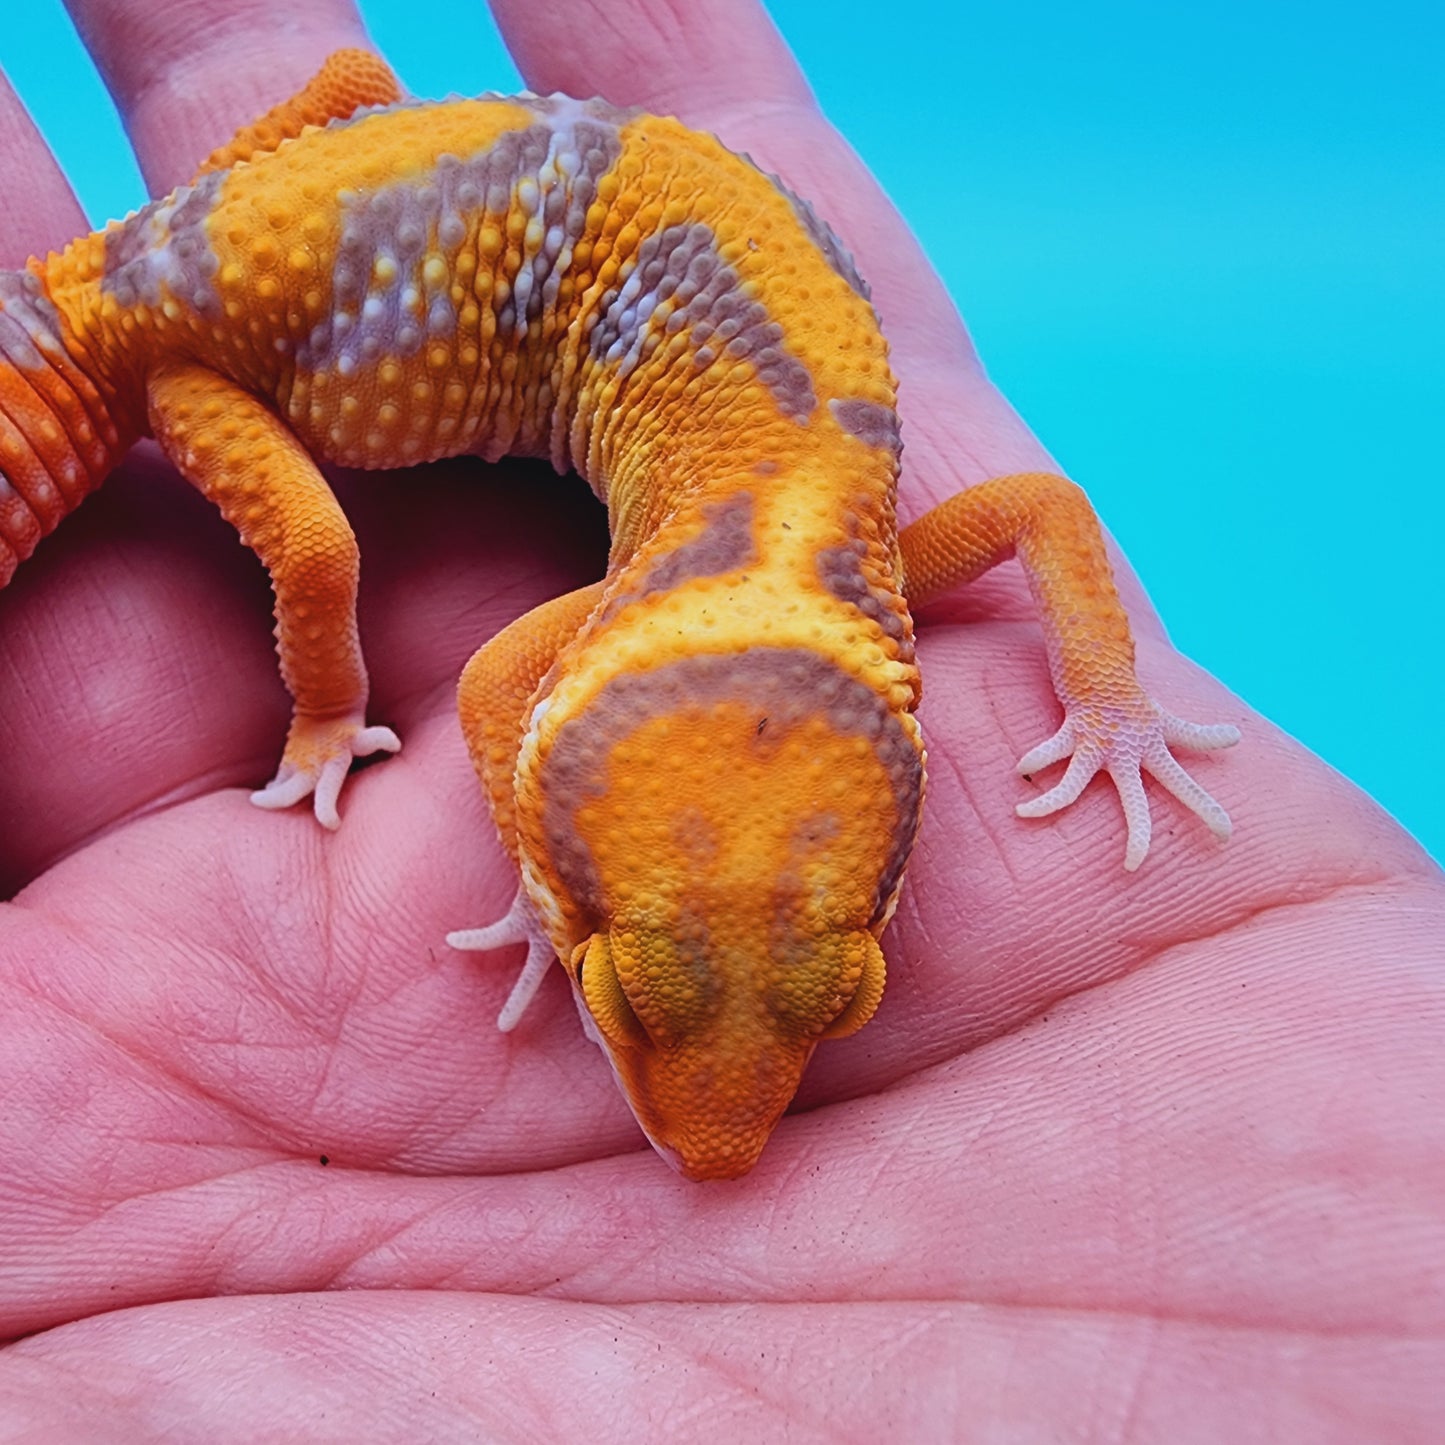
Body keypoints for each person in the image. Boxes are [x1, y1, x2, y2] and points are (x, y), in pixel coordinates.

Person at [0, 0, 1439, 1435]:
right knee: (320, 552)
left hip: (313, 231)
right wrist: (419, 790)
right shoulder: (763, 581)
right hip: (190, 339)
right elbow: (507, 683)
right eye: (626, 993)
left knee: (354, 90)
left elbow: (1039, 511)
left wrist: (1111, 703)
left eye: (840, 995)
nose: (719, 1133)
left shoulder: (829, 560)